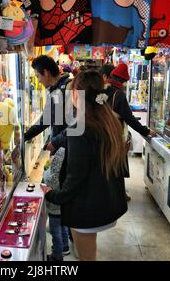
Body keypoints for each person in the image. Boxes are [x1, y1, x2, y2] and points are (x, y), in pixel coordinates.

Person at [41, 70, 129, 261]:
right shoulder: (109, 120)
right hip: (106, 202)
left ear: (76, 94)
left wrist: (52, 194)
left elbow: (75, 178)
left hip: (86, 208)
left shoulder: (80, 129)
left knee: (86, 258)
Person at [104, 63, 156, 201]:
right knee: (117, 164)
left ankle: (107, 192)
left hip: (101, 134)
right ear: (123, 80)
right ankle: (119, 194)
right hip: (115, 135)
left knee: (107, 164)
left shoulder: (103, 90)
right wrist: (145, 131)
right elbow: (129, 118)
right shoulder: (118, 94)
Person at [24, 55, 72, 154]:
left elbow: (78, 124)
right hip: (62, 151)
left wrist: (55, 142)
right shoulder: (54, 90)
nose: (38, 80)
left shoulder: (70, 88)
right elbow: (45, 120)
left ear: (45, 73)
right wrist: (24, 137)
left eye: (38, 76)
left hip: (72, 151)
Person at [42, 147, 70, 261]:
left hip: (54, 209)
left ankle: (57, 256)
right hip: (64, 208)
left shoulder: (54, 177)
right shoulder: (67, 175)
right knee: (64, 227)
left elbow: (49, 183)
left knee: (55, 233)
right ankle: (65, 247)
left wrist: (45, 174)